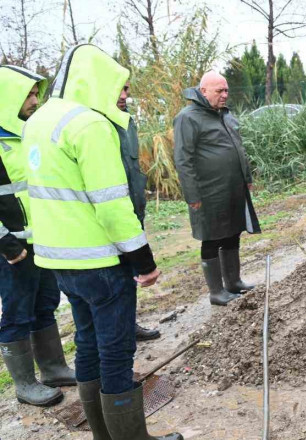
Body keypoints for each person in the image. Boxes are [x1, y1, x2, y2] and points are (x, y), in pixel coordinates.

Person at [24, 44, 181, 440]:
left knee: (88, 344)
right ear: (95, 81)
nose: (122, 95)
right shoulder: (89, 125)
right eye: (118, 87)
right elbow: (112, 205)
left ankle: (102, 435)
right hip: (100, 263)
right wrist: (143, 261)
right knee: (116, 351)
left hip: (60, 262)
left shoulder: (40, 119)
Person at [0, 65, 76, 407]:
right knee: (17, 312)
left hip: (42, 238)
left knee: (45, 304)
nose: (35, 101)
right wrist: (6, 243)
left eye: (35, 94)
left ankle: (54, 368)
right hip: (12, 246)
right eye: (28, 95)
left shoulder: (27, 133)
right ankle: (24, 384)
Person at [173, 71, 260, 307]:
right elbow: (183, 159)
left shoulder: (224, 115)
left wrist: (247, 177)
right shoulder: (188, 118)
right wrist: (191, 194)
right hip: (208, 191)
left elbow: (238, 148)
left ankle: (233, 282)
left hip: (233, 187)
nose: (225, 95)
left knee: (233, 232)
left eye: (226, 90)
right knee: (211, 238)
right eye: (219, 91)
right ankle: (216, 291)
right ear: (203, 91)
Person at [115, 81, 161, 342]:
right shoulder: (96, 126)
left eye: (127, 89)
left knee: (128, 275)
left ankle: (129, 324)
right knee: (113, 284)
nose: (124, 96)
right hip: (112, 215)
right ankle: (119, 332)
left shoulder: (126, 122)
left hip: (131, 210)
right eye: (118, 89)